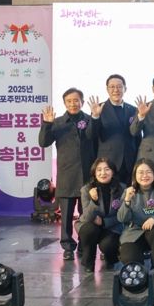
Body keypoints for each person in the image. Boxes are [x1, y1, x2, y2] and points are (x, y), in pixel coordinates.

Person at [39, 87, 96, 261]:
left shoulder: (90, 119)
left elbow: (95, 138)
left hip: (87, 176)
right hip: (67, 175)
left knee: (86, 214)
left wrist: (95, 117)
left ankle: (85, 244)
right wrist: (47, 124)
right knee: (66, 216)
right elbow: (43, 142)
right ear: (64, 103)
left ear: (82, 102)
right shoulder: (57, 122)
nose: (73, 104)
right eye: (69, 101)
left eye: (76, 100)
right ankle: (68, 247)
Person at [117, 159, 154, 273]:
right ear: (135, 175)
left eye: (148, 172)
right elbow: (121, 218)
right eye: (141, 172)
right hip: (134, 233)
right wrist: (127, 201)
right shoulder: (128, 192)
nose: (145, 176)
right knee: (130, 260)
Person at [75, 158, 124, 273]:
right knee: (89, 230)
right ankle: (89, 262)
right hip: (91, 225)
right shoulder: (86, 189)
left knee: (108, 245)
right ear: (94, 173)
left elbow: (122, 216)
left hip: (111, 226)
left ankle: (110, 259)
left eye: (107, 169)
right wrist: (94, 201)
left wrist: (104, 222)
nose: (103, 173)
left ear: (113, 172)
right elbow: (86, 218)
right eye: (99, 170)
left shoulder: (121, 188)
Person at [87, 74, 139, 184]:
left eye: (119, 86)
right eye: (112, 87)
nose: (116, 90)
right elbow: (91, 135)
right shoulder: (99, 108)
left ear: (125, 89)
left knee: (128, 193)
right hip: (108, 163)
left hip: (129, 162)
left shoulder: (133, 109)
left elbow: (137, 137)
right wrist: (95, 116)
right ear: (107, 89)